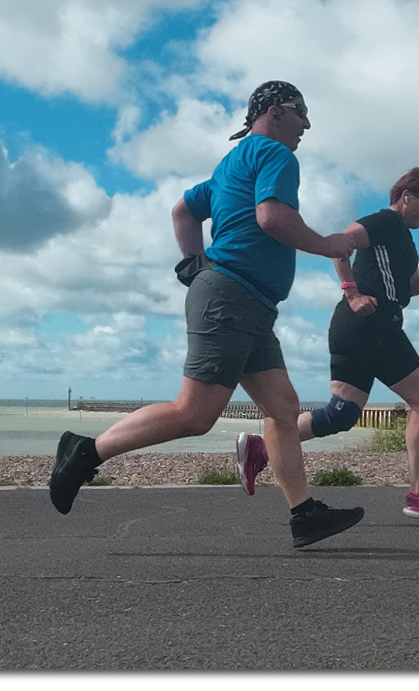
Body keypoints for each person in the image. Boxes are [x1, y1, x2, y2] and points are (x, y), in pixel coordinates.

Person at [49, 81, 365, 549]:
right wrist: (327, 245)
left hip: (250, 304)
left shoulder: (230, 165)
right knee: (195, 415)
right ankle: (85, 452)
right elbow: (271, 217)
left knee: (282, 410)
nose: (308, 124)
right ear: (276, 112)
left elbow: (182, 210)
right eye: (302, 113)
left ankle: (303, 514)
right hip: (232, 297)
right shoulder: (275, 155)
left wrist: (193, 265)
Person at [234, 166, 419, 518]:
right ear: (405, 197)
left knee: (341, 413)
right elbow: (340, 246)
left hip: (358, 325)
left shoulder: (405, 240)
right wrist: (352, 293)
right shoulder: (384, 222)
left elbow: (409, 288)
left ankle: (261, 448)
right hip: (371, 321)